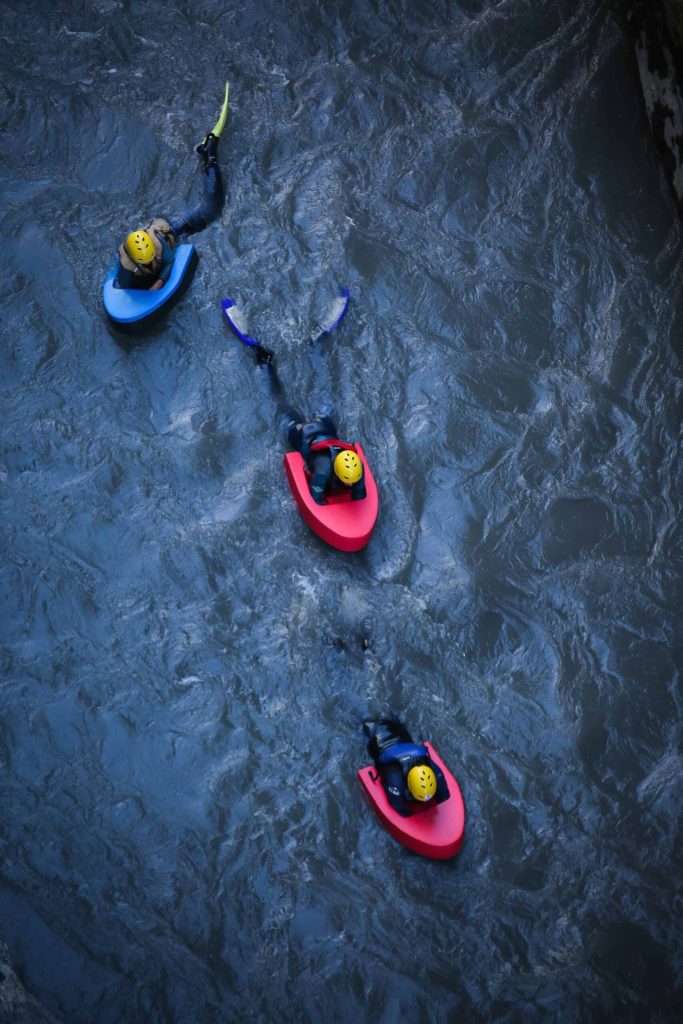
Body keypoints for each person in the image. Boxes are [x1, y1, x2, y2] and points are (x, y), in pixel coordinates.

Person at [115, 106, 226, 291]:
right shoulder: (127, 260)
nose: (152, 260)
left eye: (151, 258)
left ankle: (209, 154)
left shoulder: (160, 247)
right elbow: (122, 285)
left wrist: (159, 282)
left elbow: (168, 263)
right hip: (157, 227)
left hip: (173, 229)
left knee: (213, 207)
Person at [363, 718, 450, 817]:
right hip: (376, 737)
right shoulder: (395, 779)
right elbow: (397, 807)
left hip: (398, 734)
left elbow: (445, 794)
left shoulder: (435, 773)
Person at [281, 409, 366, 505]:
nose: (351, 484)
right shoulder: (322, 473)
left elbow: (359, 491)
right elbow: (315, 499)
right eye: (348, 481)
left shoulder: (358, 468)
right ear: (337, 473)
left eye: (352, 481)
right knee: (287, 416)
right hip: (302, 435)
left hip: (326, 427)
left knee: (323, 409)